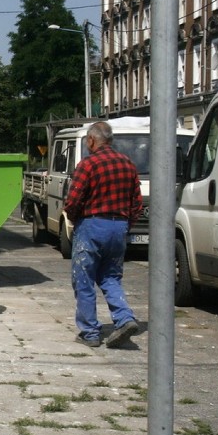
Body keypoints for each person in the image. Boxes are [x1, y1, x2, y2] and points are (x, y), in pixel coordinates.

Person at [64, 121, 143, 348]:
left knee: (84, 278)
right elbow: (136, 203)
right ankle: (124, 318)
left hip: (92, 226)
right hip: (119, 227)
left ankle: (90, 333)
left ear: (91, 140)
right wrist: (126, 225)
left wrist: (73, 217)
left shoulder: (88, 164)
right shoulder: (128, 164)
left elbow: (74, 199)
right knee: (111, 277)